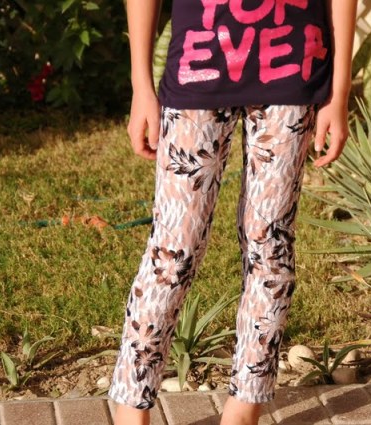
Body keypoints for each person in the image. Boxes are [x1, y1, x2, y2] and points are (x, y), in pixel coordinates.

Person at [109, 1, 357, 424]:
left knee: (269, 244)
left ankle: (245, 407)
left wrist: (339, 91)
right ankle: (132, 404)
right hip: (197, 70)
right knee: (174, 248)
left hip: (291, 74)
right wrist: (141, 86)